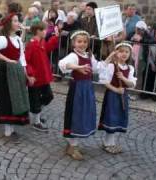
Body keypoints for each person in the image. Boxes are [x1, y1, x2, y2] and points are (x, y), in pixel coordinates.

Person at [58, 30, 109, 160]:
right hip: (78, 90)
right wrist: (77, 67)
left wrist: (110, 57)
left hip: (87, 89)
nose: (82, 44)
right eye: (79, 41)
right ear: (73, 43)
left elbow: (97, 67)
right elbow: (63, 63)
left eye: (85, 41)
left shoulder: (88, 55)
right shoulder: (73, 55)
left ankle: (73, 144)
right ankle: (71, 147)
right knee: (76, 115)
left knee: (84, 114)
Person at [0, 13, 30, 137]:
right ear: (9, 24)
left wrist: (26, 75)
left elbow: (22, 59)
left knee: (16, 97)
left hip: (16, 72)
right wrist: (7, 59)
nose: (18, 23)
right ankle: (7, 129)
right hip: (5, 71)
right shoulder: (2, 39)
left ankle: (12, 126)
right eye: (15, 21)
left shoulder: (17, 40)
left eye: (18, 21)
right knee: (6, 98)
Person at [99, 42, 137, 154]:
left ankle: (110, 142)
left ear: (130, 54)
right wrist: (116, 90)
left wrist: (123, 79)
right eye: (121, 51)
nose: (124, 54)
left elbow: (132, 84)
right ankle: (108, 144)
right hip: (112, 95)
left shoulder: (130, 68)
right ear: (116, 53)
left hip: (122, 95)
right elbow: (104, 81)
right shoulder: (112, 66)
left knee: (118, 117)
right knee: (112, 117)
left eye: (126, 52)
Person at [25, 22, 59, 131]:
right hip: (35, 78)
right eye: (44, 30)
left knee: (48, 96)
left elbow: (48, 47)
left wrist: (55, 37)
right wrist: (30, 75)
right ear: (38, 31)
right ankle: (36, 121)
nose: (46, 32)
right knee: (35, 99)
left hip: (43, 76)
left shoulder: (42, 41)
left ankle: (36, 114)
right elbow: (26, 61)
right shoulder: (31, 44)